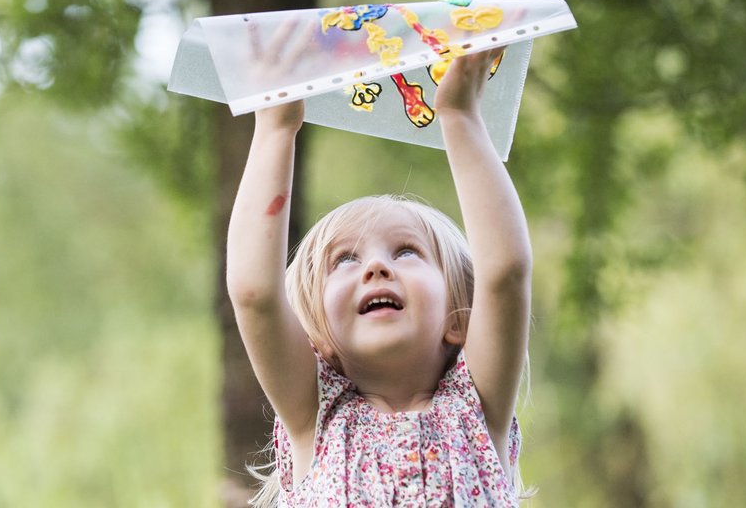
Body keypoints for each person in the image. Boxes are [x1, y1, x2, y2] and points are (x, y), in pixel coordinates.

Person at [227, 47, 532, 506]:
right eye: (344, 260)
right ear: (317, 333)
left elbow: (505, 273)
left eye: (407, 251)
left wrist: (460, 118)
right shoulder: (316, 419)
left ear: (458, 317)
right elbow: (255, 294)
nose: (376, 267)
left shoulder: (479, 408)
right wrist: (274, 128)